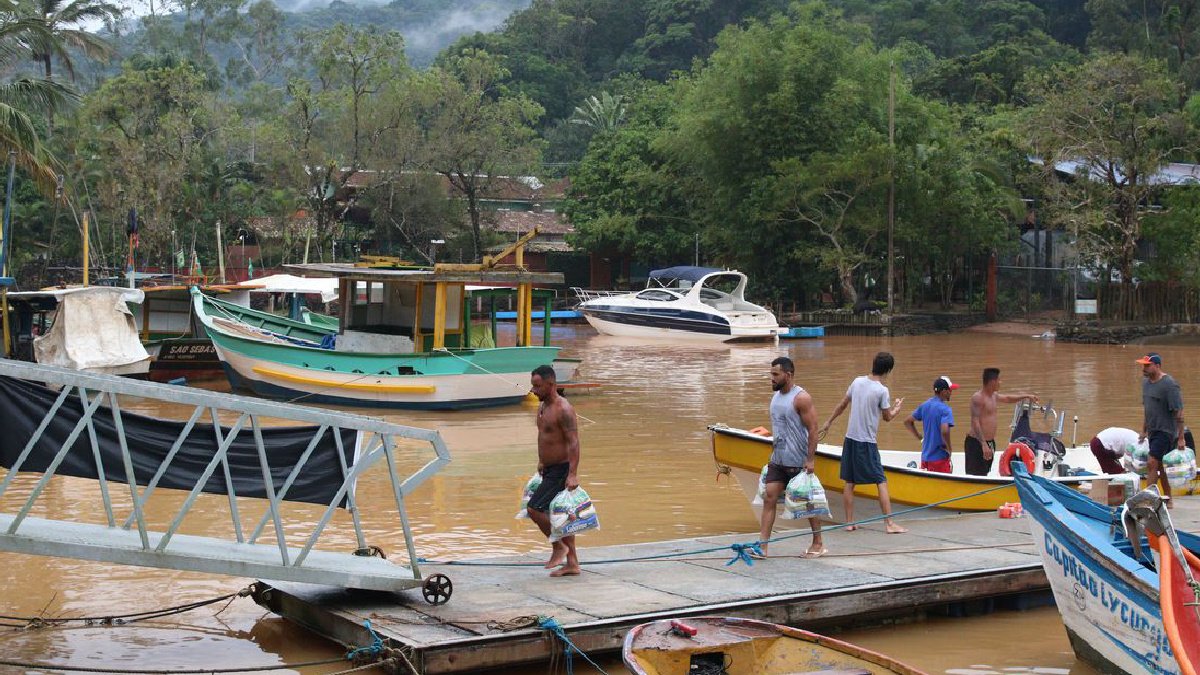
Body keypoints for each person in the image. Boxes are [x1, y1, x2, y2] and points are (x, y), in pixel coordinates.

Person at [818, 352, 907, 534]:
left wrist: (828, 422)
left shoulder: (857, 381)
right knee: (881, 480)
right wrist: (897, 408)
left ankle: (849, 522)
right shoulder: (882, 390)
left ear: (873, 364)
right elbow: (887, 417)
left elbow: (843, 404)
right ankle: (889, 524)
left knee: (849, 482)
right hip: (866, 442)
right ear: (888, 370)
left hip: (850, 439)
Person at [758, 356, 826, 558]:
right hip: (777, 460)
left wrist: (810, 459)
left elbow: (813, 429)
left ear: (788, 375)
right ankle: (763, 547)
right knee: (769, 498)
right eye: (771, 374)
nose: (771, 378)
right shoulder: (775, 396)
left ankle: (818, 542)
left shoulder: (801, 398)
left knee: (807, 503)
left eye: (775, 374)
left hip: (798, 461)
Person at [525, 364, 582, 577]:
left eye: (537, 386)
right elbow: (546, 437)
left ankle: (558, 546)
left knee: (534, 509)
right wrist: (541, 461)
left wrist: (573, 473)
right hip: (548, 468)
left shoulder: (564, 409)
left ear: (551, 384)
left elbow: (574, 443)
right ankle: (572, 563)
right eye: (533, 386)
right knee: (562, 517)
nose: (533, 390)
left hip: (562, 469)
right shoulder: (542, 405)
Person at [965, 368, 1038, 476]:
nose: (1000, 382)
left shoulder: (994, 396)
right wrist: (983, 444)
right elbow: (975, 422)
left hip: (989, 443)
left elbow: (1008, 398)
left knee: (984, 471)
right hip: (977, 443)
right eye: (999, 380)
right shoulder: (978, 398)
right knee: (975, 474)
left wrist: (1026, 396)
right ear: (992, 381)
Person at [1137, 353, 1185, 503]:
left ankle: (1146, 500)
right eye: (1143, 365)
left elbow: (1179, 411)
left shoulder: (1169, 384)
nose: (1144, 368)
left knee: (1151, 462)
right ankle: (1168, 498)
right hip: (1152, 430)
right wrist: (1144, 430)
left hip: (1166, 431)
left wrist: (1181, 437)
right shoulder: (1145, 383)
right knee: (1160, 466)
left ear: (1157, 366)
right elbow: (1148, 409)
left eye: (1147, 365)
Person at [904, 376, 958, 473]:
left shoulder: (925, 405)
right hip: (940, 460)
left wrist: (920, 437)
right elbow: (945, 430)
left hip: (925, 459)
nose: (951, 392)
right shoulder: (946, 410)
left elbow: (907, 422)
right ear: (944, 391)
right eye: (950, 390)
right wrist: (949, 448)